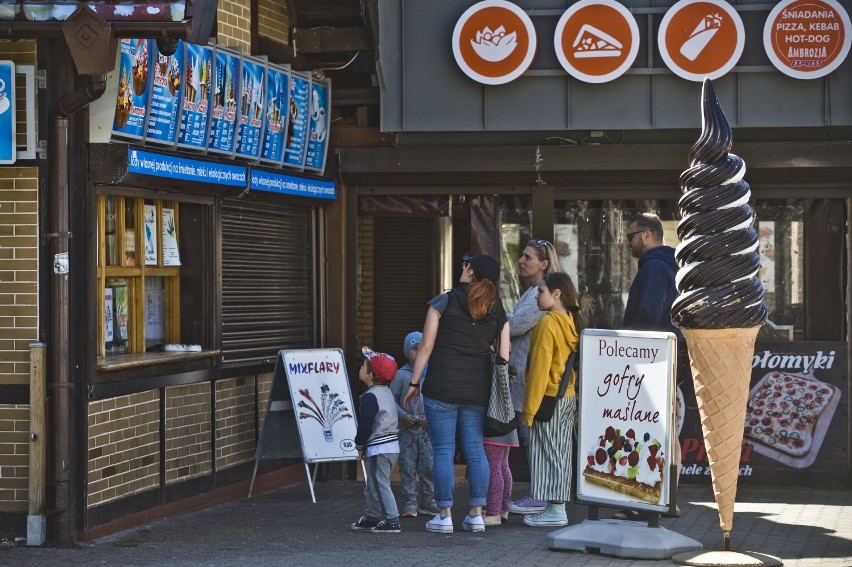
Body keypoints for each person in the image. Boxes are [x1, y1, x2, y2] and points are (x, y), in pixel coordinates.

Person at [403, 254, 510, 534]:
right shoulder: (497, 308)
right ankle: (476, 514)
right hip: (478, 390)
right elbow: (503, 356)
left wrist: (413, 385)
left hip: (441, 387)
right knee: (476, 452)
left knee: (443, 451)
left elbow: (425, 347)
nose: (462, 268)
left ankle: (445, 515)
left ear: (470, 271)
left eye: (465, 265)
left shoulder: (443, 301)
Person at [616, 212, 683, 520]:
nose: (627, 242)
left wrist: (625, 341)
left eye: (630, 236)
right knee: (666, 430)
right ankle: (667, 499)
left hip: (651, 357)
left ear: (646, 235)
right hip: (667, 355)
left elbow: (649, 312)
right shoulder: (670, 265)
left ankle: (646, 500)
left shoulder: (654, 267)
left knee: (646, 429)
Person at [520, 272, 584, 527]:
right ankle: (555, 507)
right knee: (560, 453)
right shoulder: (570, 321)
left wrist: (528, 412)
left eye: (542, 291)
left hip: (548, 398)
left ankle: (556, 510)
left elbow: (538, 371)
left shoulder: (548, 323)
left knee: (547, 453)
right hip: (566, 397)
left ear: (557, 294)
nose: (537, 296)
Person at [506, 239, 563, 515]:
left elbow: (516, 325)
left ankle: (542, 495)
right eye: (521, 255)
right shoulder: (532, 292)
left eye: (528, 257)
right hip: (525, 381)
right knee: (534, 439)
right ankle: (543, 495)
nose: (521, 260)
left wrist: (492, 316)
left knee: (535, 439)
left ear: (544, 263)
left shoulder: (539, 296)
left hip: (531, 383)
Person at [350, 347, 402, 534]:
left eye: (363, 365)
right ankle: (372, 515)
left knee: (380, 483)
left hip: (381, 447)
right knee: (372, 483)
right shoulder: (386, 392)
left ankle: (393, 519)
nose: (360, 367)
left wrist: (359, 444)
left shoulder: (370, 397)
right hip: (390, 447)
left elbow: (365, 425)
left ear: (371, 375)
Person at [388, 331, 439, 518]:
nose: (418, 353)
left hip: (427, 431)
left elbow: (439, 400)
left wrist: (431, 418)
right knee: (407, 467)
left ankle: (428, 500)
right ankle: (410, 501)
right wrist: (402, 416)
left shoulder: (434, 373)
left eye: (421, 349)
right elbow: (391, 400)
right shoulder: (401, 376)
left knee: (429, 466)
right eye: (414, 349)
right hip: (406, 431)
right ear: (406, 351)